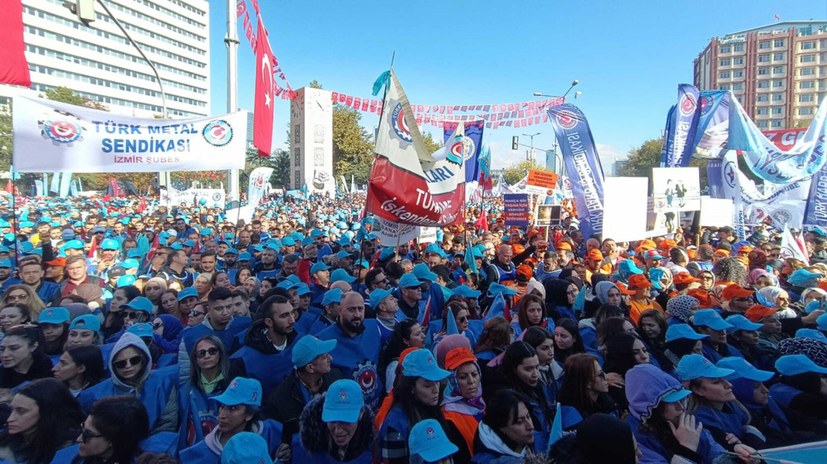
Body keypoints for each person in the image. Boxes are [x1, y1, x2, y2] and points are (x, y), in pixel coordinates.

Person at [78, 332, 179, 453]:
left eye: (134, 360)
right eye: (121, 363)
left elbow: (167, 425)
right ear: (112, 366)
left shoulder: (163, 385)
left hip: (152, 451)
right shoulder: (95, 394)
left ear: (144, 360)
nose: (128, 366)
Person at [625, 363, 730, 464]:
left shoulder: (680, 420)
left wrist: (734, 455)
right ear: (653, 408)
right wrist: (686, 450)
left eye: (681, 399)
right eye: (671, 401)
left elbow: (712, 450)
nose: (680, 407)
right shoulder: (636, 439)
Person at [178, 377, 283, 463]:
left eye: (233, 408)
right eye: (222, 406)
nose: (222, 415)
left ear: (249, 414)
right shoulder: (200, 454)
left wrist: (282, 459)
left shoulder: (272, 433)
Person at [262, 334, 341, 447]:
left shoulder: (336, 378)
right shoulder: (279, 399)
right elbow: (280, 440)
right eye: (324, 357)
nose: (331, 359)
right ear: (310, 368)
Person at [377, 348, 450, 464]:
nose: (436, 390)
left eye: (437, 382)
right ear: (411, 388)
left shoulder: (434, 408)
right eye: (427, 386)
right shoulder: (396, 425)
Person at [677, 354, 766, 450]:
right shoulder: (699, 423)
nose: (729, 384)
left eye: (724, 379)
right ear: (698, 390)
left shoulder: (735, 406)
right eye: (716, 382)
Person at [317, 292, 383, 410]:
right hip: (346, 411)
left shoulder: (373, 327)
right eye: (351, 310)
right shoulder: (323, 340)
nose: (357, 314)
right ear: (340, 310)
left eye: (360, 309)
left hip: (375, 405)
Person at [485, 341, 554, 452]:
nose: (535, 374)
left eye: (536, 367)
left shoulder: (536, 385)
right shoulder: (502, 396)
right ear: (513, 368)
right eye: (528, 369)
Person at [0, 378, 84, 463]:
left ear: (47, 413)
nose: (10, 419)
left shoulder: (73, 450)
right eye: (12, 410)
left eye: (21, 411)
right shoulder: (4, 442)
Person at [291, 379, 374, 463]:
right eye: (332, 420)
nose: (338, 430)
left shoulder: (376, 449)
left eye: (346, 420)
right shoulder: (297, 448)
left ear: (361, 414)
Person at [229, 294, 299, 394]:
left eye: (292, 313)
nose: (292, 320)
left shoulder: (301, 343)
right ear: (269, 322)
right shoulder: (242, 360)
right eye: (284, 316)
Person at [59, 395, 150, 464]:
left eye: (87, 434)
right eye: (82, 428)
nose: (78, 439)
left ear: (113, 439)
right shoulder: (68, 457)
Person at [179, 335, 231, 448]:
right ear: (195, 359)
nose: (207, 356)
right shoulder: (185, 389)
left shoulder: (232, 385)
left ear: (220, 354)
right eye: (201, 353)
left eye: (212, 351)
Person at [441, 346, 484, 464]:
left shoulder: (481, 404)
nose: (471, 381)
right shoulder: (449, 418)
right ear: (452, 381)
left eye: (475, 374)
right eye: (463, 377)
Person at [471, 389, 536, 463]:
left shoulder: (526, 440)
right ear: (502, 427)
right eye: (519, 422)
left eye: (528, 416)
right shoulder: (484, 460)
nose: (530, 426)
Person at [558, 353, 617, 429]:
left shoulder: (607, 403)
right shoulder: (571, 415)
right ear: (587, 382)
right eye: (600, 374)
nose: (606, 377)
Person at [770, 354, 827, 423]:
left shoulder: (779, 385)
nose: (819, 379)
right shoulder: (796, 397)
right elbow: (820, 407)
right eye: (815, 376)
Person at [378, 319, 425, 392]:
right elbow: (391, 394)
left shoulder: (422, 356)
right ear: (406, 341)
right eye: (417, 334)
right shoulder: (394, 366)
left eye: (422, 331)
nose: (424, 336)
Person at [0, 324, 53, 389]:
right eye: (2, 349)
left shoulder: (51, 370)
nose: (5, 354)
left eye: (14, 348)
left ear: (33, 347)